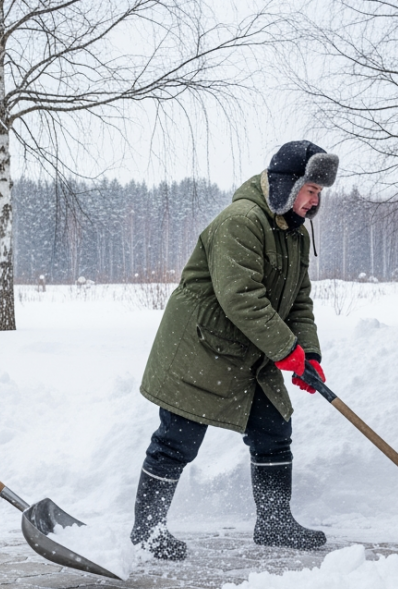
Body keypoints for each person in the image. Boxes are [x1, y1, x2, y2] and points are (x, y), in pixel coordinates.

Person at [134, 141, 338, 560]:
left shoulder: (294, 235)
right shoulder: (241, 221)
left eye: (319, 192)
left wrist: (308, 355)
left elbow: (298, 300)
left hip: (249, 351)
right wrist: (286, 351)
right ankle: (147, 531)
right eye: (311, 189)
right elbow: (240, 296)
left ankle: (275, 523)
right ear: (288, 184)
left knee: (274, 432)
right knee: (176, 441)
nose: (316, 200)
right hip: (200, 348)